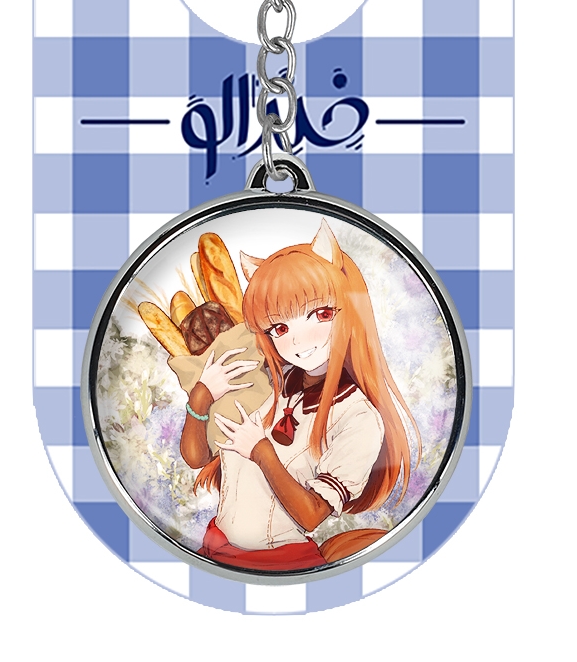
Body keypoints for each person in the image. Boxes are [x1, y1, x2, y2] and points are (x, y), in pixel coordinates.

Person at [180, 218, 420, 570]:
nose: (297, 341)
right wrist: (201, 395)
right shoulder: (270, 382)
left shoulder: (358, 416)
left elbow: (311, 516)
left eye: (321, 314)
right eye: (279, 327)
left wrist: (261, 451)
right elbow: (197, 458)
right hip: (213, 550)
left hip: (281, 563)